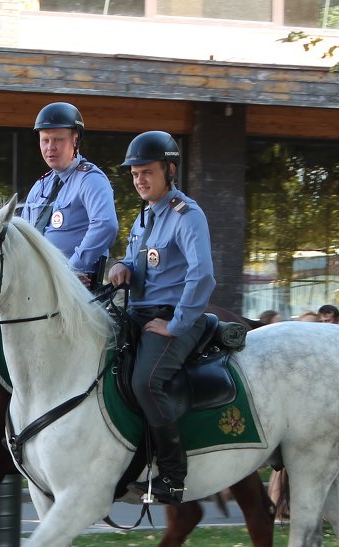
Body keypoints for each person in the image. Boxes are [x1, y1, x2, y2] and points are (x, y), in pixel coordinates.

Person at [107, 130, 215, 505]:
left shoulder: (187, 215)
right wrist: (122, 265)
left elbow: (202, 275)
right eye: (135, 174)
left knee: (145, 383)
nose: (139, 180)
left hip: (174, 318)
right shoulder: (144, 218)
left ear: (170, 170)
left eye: (147, 172)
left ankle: (172, 476)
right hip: (137, 314)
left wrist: (176, 325)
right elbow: (139, 261)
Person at [19, 102, 119, 290]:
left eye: (58, 139)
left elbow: (106, 225)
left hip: (74, 290)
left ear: (75, 139)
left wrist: (70, 269)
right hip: (36, 285)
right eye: (45, 140)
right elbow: (23, 235)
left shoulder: (90, 179)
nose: (50, 147)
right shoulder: (41, 185)